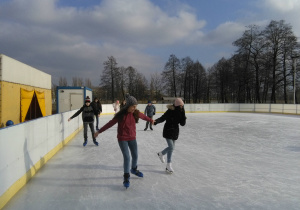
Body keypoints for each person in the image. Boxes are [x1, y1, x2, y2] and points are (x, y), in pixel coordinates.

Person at [94, 94, 154, 188]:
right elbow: (109, 124)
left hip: (132, 138)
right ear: (128, 105)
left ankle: (134, 169)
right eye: (133, 106)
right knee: (127, 157)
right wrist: (99, 131)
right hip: (122, 139)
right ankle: (126, 176)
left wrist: (151, 120)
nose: (134, 108)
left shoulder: (135, 113)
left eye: (135, 106)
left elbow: (143, 117)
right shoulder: (120, 115)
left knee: (135, 155)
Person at [154, 98, 186, 174]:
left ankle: (168, 165)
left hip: (175, 131)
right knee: (171, 147)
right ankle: (161, 154)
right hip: (168, 130)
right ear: (177, 105)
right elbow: (163, 118)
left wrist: (183, 115)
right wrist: (156, 121)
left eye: (182, 106)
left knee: (171, 149)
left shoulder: (181, 111)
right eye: (180, 106)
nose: (182, 107)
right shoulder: (170, 111)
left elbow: (182, 124)